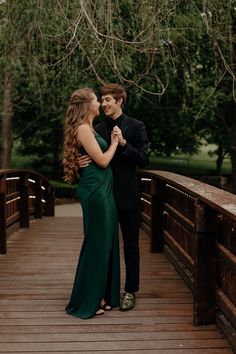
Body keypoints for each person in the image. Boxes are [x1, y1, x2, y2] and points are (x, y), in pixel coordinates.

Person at [78, 83, 149, 311]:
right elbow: (86, 153)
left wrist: (125, 144)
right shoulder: (95, 128)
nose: (104, 103)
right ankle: (105, 293)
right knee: (104, 246)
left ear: (120, 101)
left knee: (130, 246)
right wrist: (79, 164)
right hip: (103, 196)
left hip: (127, 195)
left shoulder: (136, 126)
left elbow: (144, 159)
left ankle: (130, 291)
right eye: (102, 99)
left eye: (108, 99)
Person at [62, 88, 120, 319]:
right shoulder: (84, 129)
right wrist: (115, 142)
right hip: (96, 193)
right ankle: (87, 300)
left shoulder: (89, 129)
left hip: (102, 191)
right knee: (97, 244)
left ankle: (103, 295)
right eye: (97, 100)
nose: (99, 103)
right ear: (88, 106)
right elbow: (104, 161)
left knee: (105, 243)